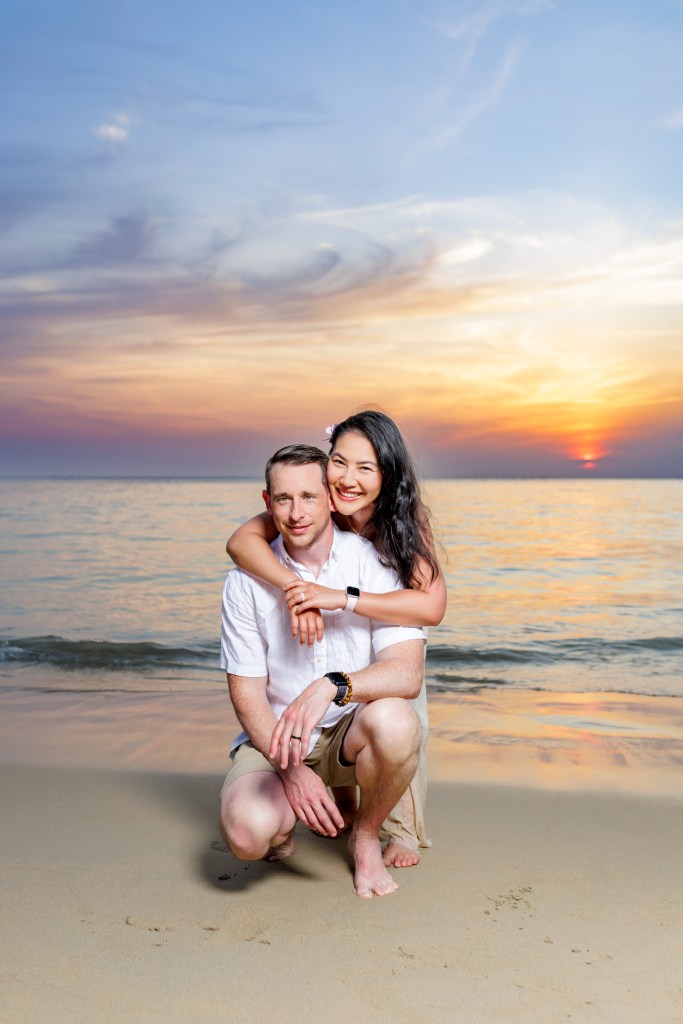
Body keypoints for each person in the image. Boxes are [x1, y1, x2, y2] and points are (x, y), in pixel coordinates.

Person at [226, 410, 446, 866]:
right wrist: (295, 589)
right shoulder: (307, 505)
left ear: (387, 474)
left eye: (366, 468)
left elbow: (430, 608)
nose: (348, 479)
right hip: (320, 683)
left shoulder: (400, 522)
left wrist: (339, 599)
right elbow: (240, 543)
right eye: (339, 463)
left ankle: (393, 827)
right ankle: (323, 805)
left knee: (400, 716)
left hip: (379, 636)